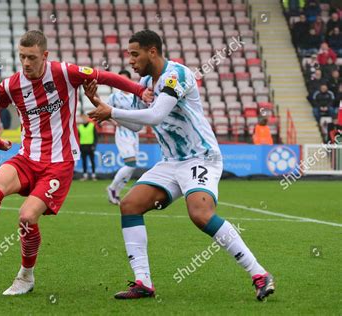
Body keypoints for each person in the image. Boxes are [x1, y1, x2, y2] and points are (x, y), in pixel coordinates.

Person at [0, 30, 152, 296]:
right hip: (26, 157)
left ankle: (25, 276)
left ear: (44, 55)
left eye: (31, 57)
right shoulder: (11, 84)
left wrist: (140, 89)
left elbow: (104, 77)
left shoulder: (65, 73)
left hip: (59, 163)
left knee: (26, 216)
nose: (26, 63)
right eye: (21, 56)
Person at [86, 30, 274, 301]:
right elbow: (139, 124)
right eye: (129, 54)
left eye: (135, 54)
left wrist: (112, 112)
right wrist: (100, 105)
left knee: (200, 214)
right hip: (171, 162)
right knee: (130, 205)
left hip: (200, 157)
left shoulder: (177, 75)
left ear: (153, 51)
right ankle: (143, 283)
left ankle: (259, 273)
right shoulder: (145, 82)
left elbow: (156, 115)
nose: (130, 60)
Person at [102, 70, 140, 204]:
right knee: (131, 163)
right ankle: (112, 188)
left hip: (134, 133)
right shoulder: (114, 97)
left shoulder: (135, 96)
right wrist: (115, 122)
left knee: (132, 166)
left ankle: (116, 194)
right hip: (123, 132)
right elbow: (104, 111)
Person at [78, 114, 98, 181]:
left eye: (85, 118)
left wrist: (94, 145)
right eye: (83, 118)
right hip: (83, 146)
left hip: (90, 146)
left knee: (92, 161)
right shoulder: (80, 127)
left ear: (87, 119)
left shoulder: (92, 126)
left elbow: (96, 137)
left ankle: (93, 175)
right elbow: (78, 137)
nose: (84, 120)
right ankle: (85, 175)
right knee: (84, 161)